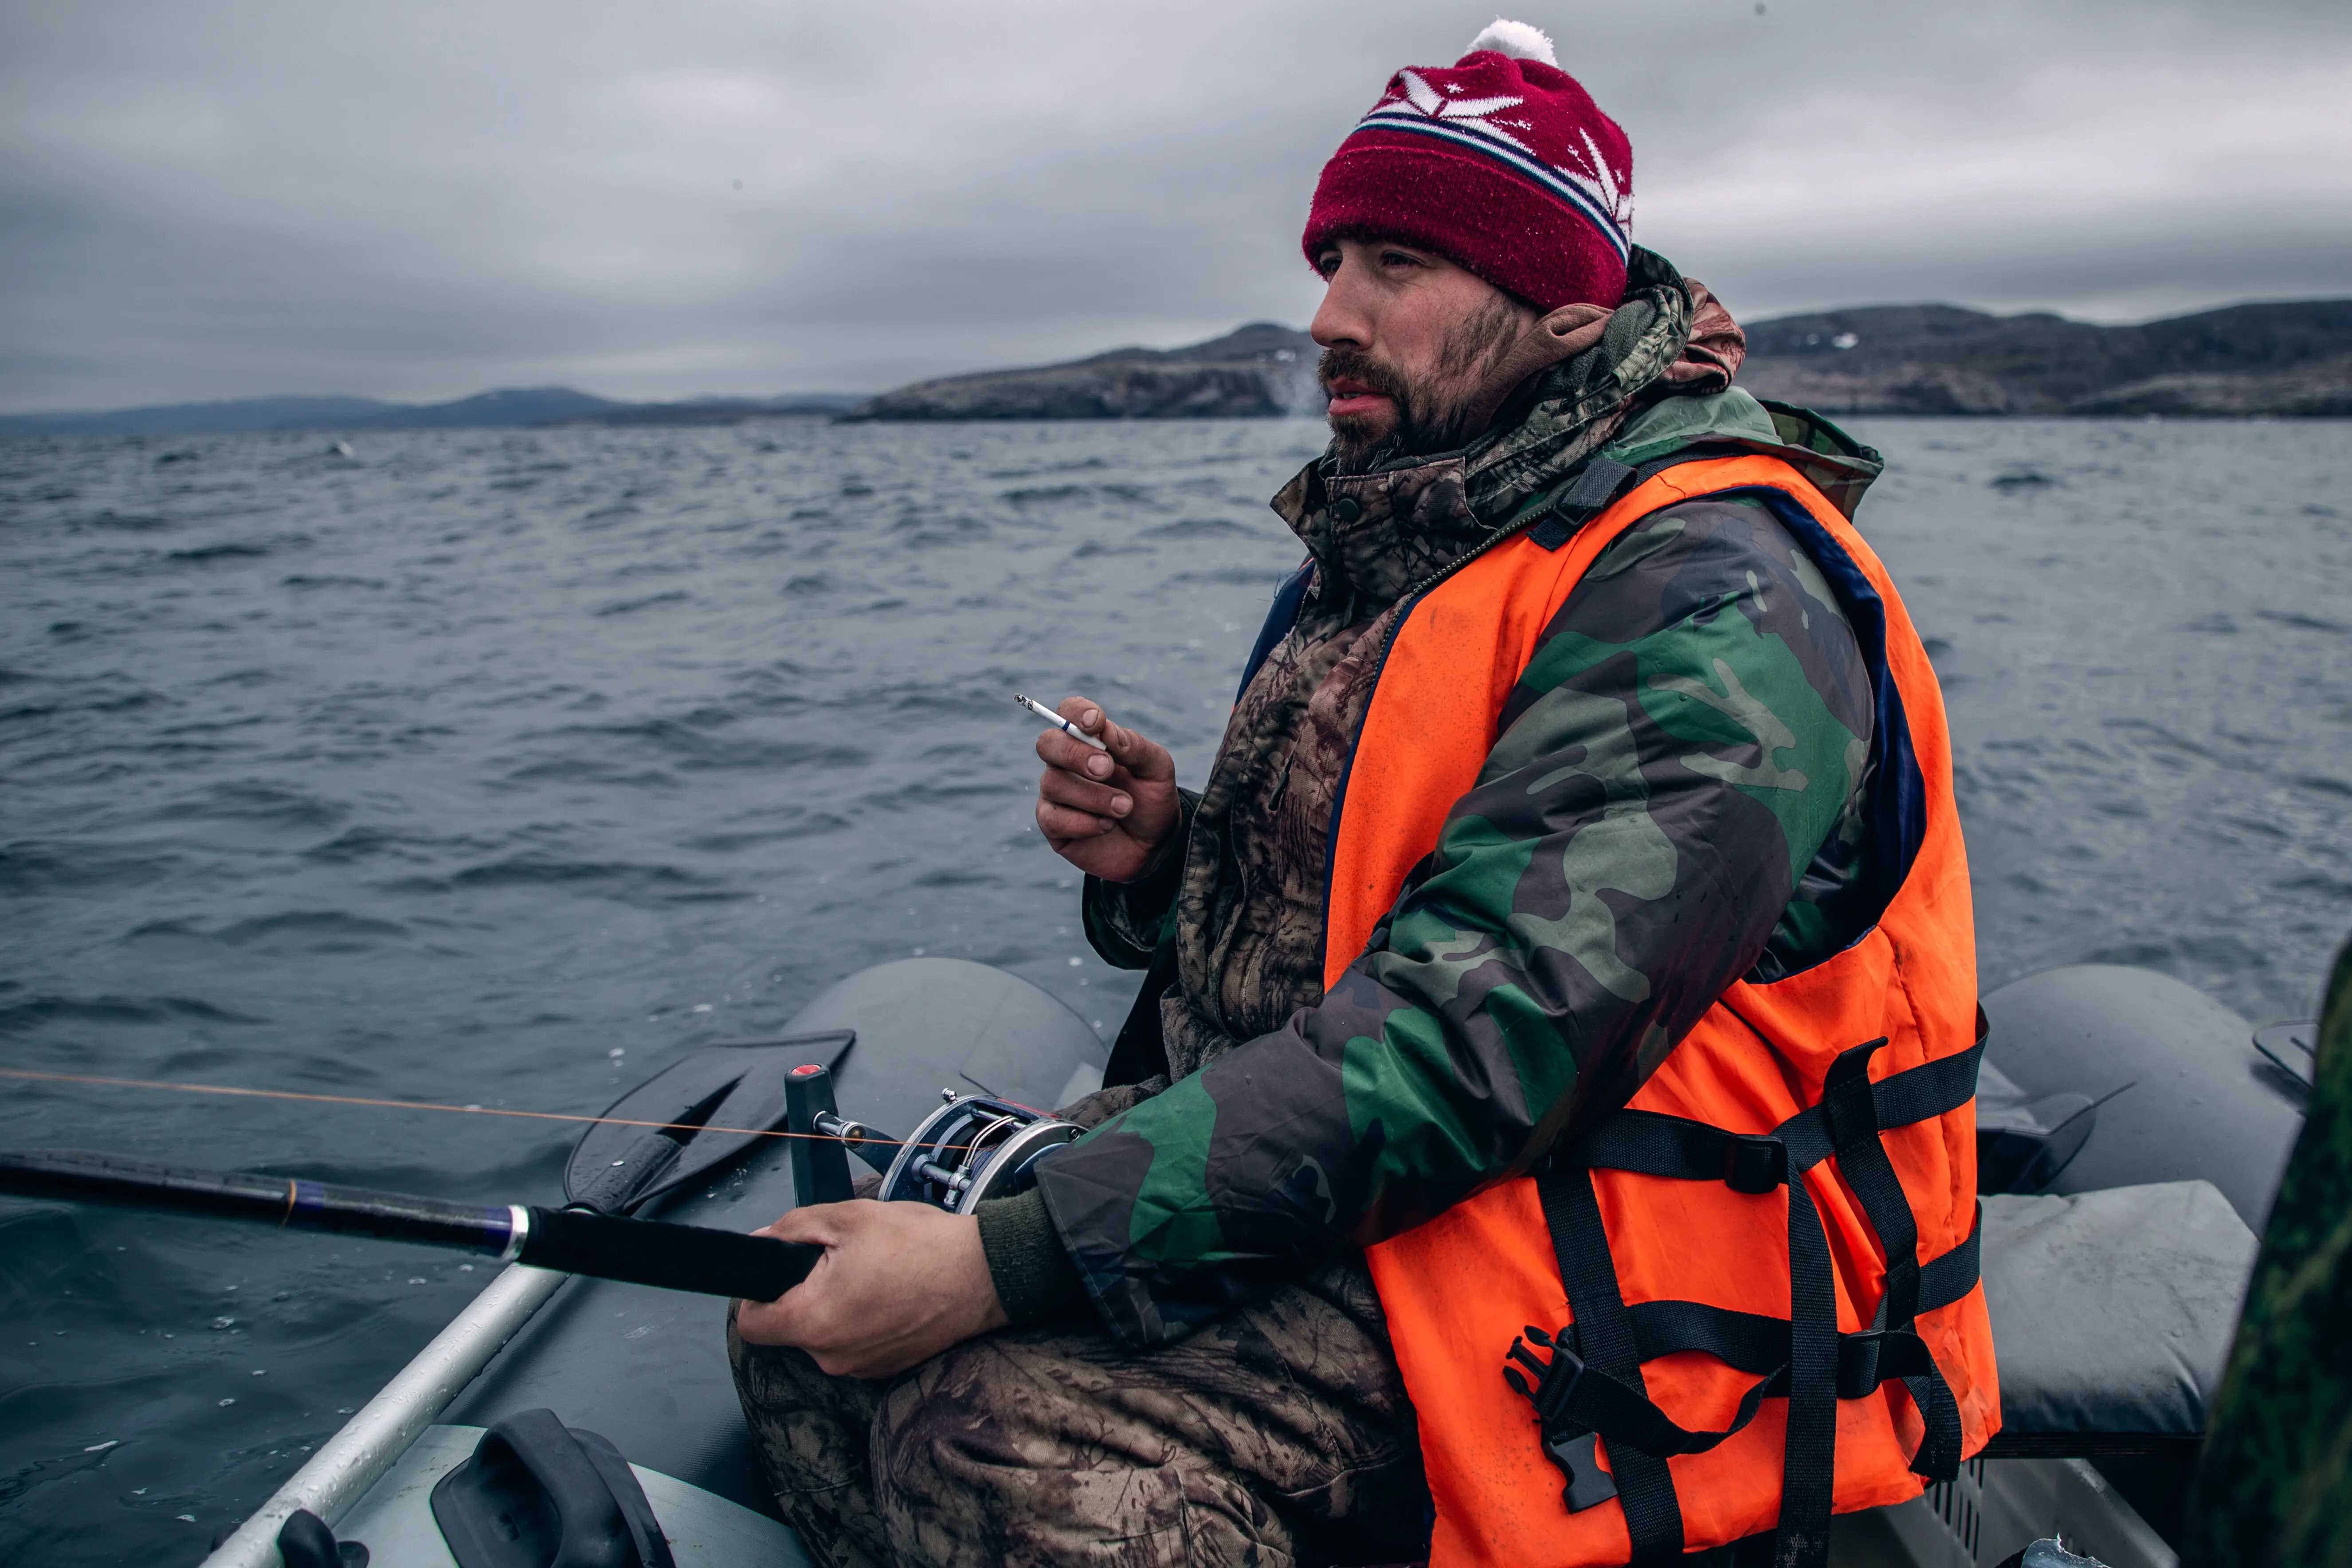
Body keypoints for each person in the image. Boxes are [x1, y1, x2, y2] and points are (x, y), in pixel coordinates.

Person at [730, 20, 1995, 1568]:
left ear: (1565, 308)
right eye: (1330, 260)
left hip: (1609, 1258)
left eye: (1393, 265)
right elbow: (1383, 912)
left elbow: (1486, 1035)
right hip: (1395, 1193)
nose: (1328, 314)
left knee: (1001, 1437)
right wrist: (1170, 859)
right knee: (796, 1322)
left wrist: (1005, 1262)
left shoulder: (1714, 597)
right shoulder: (1417, 531)